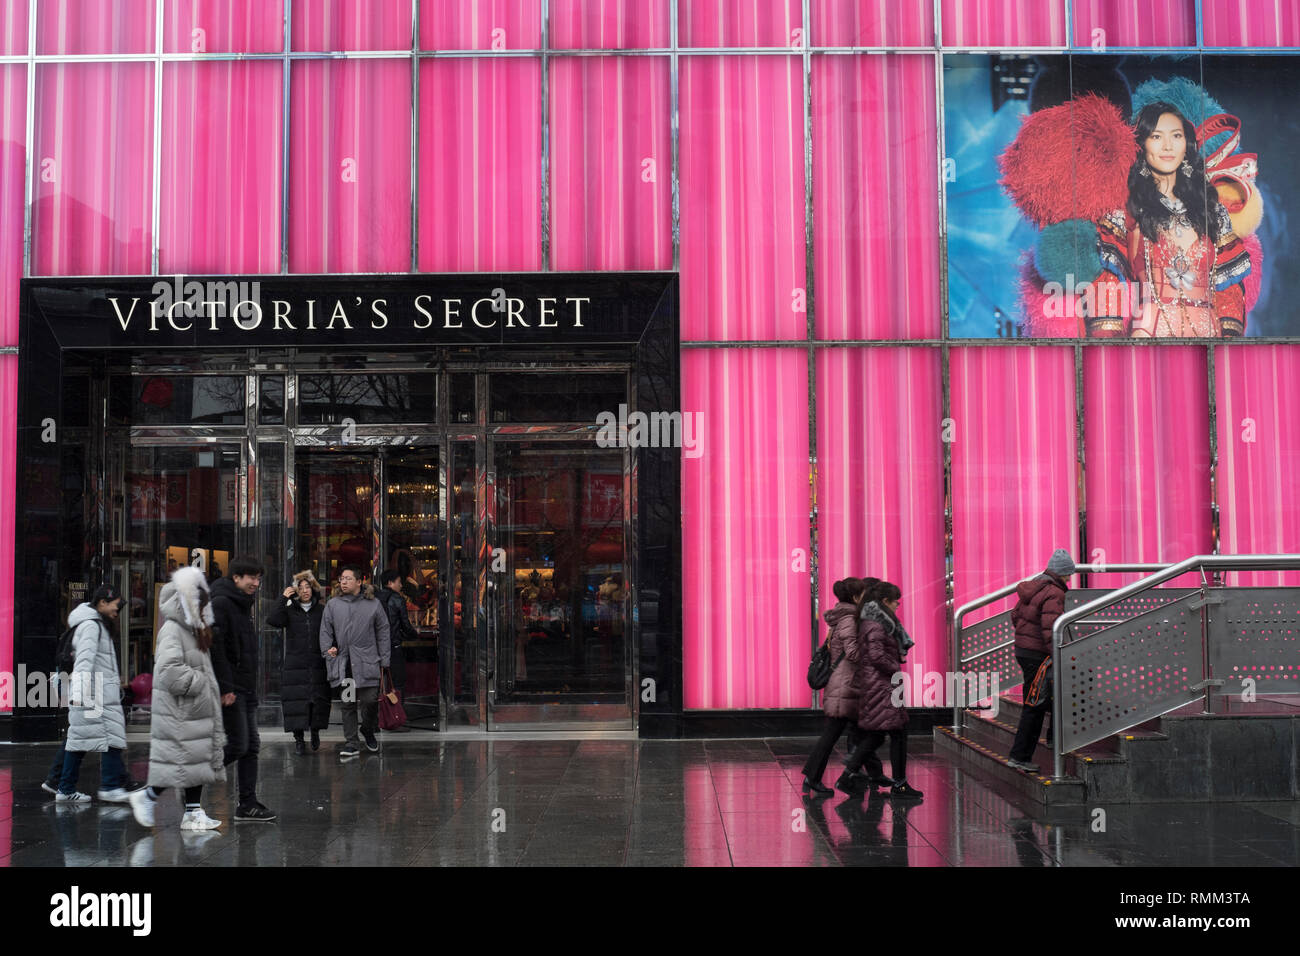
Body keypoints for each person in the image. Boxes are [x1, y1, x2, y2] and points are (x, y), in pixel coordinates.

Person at [1093, 102, 1252, 338]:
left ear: (1186, 144)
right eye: (1156, 136)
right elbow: (1107, 286)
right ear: (1141, 145)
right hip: (1148, 342)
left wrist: (1228, 345)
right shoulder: (1124, 212)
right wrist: (1110, 350)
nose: (1168, 146)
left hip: (1208, 346)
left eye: (1176, 136)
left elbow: (1229, 291)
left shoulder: (1212, 211)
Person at [128, 566, 227, 831]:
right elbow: (169, 671)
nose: (200, 605)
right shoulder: (173, 629)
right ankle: (146, 796)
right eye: (195, 600)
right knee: (179, 762)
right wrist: (201, 684)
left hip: (191, 710)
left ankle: (193, 812)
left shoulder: (193, 630)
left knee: (194, 761)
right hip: (181, 710)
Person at [840, 581, 923, 799]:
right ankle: (898, 783)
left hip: (881, 685)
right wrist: (895, 665)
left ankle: (850, 774)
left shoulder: (875, 621)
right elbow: (875, 655)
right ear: (885, 602)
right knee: (895, 733)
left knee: (883, 734)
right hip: (882, 686)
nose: (898, 604)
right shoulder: (877, 624)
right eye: (896, 600)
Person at [209, 555, 276, 822]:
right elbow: (217, 650)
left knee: (251, 745)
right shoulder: (222, 603)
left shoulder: (241, 603)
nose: (256, 583)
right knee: (239, 745)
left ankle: (247, 803)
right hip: (232, 688)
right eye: (251, 577)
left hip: (245, 686)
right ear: (236, 577)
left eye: (259, 578)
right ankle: (193, 779)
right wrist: (225, 687)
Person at [56, 586, 131, 803]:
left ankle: (65, 787)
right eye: (116, 605)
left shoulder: (95, 624)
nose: (119, 610)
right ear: (102, 603)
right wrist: (78, 692)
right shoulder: (91, 626)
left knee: (80, 740)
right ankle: (109, 786)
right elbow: (84, 661)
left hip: (96, 689)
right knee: (108, 738)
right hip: (94, 691)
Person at [1006, 549, 1074, 773]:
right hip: (1038, 656)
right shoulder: (1055, 593)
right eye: (1068, 575)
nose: (1069, 579)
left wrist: (1026, 638)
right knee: (1034, 705)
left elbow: (1015, 616)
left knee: (1042, 698)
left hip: (1024, 651)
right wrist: (1057, 653)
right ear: (1063, 574)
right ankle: (1020, 756)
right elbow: (1051, 630)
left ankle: (1053, 738)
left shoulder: (1034, 586)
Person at [801, 577, 870, 795]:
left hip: (843, 684)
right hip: (846, 685)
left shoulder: (842, 617)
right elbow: (852, 653)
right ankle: (821, 777)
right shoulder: (850, 620)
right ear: (856, 597)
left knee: (856, 733)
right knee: (838, 734)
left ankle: (855, 776)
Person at [320, 565, 390, 760]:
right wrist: (328, 651)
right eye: (342, 578)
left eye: (348, 578)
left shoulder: (373, 604)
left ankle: (367, 729)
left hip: (367, 662)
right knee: (348, 703)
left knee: (369, 701)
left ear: (359, 581)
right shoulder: (333, 605)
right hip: (345, 665)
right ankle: (351, 742)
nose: (343, 582)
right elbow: (325, 631)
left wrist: (385, 660)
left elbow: (383, 632)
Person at [268, 571, 331, 755]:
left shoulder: (321, 610)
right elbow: (272, 620)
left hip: (317, 660)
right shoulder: (290, 610)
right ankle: (298, 739)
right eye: (301, 588)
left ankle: (315, 731)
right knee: (296, 701)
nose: (305, 591)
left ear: (313, 589)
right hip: (295, 662)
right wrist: (282, 598)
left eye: (308, 587)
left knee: (316, 700)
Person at [377, 569, 416, 732]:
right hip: (393, 647)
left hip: (376, 648)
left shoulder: (374, 599)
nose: (401, 585)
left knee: (376, 685)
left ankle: (376, 721)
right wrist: (414, 635)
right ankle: (396, 719)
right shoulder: (397, 599)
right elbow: (405, 625)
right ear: (390, 583)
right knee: (397, 684)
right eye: (399, 582)